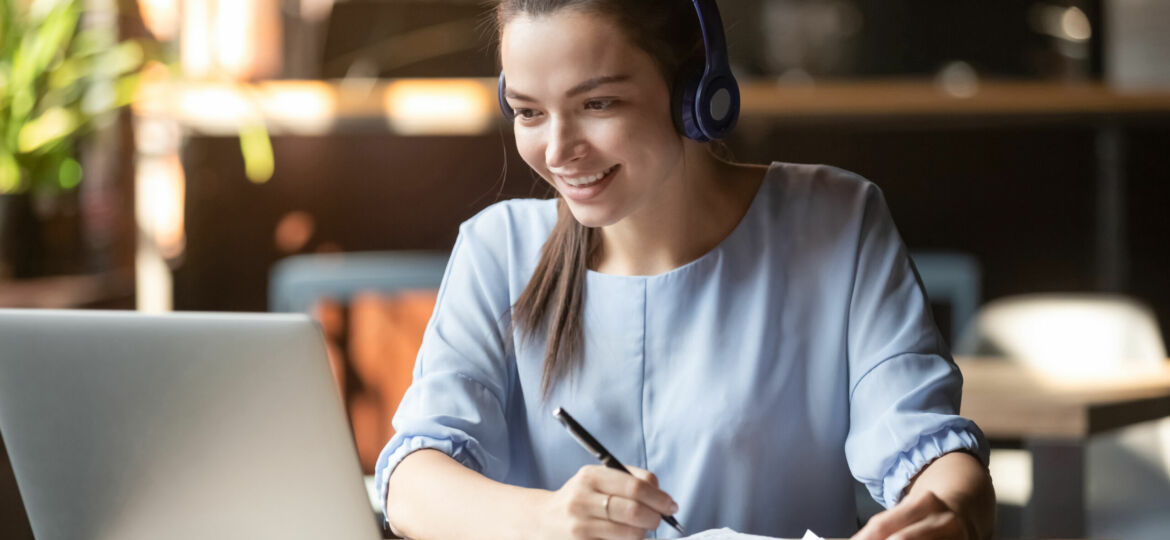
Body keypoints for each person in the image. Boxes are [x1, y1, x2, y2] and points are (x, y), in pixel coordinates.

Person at [374, 1, 996, 538]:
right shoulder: (498, 248)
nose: (559, 151)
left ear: (696, 90)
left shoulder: (837, 221)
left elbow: (924, 447)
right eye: (529, 112)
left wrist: (951, 514)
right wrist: (547, 521)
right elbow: (411, 482)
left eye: (597, 102)